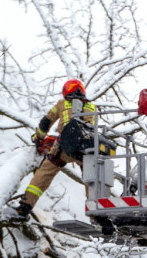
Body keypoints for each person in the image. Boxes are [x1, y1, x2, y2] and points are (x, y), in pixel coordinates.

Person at [15, 78, 97, 220]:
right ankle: (96, 215)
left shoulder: (61, 104)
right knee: (91, 179)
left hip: (64, 146)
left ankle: (25, 207)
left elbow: (46, 121)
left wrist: (39, 137)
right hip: (86, 148)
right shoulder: (92, 107)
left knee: (45, 172)